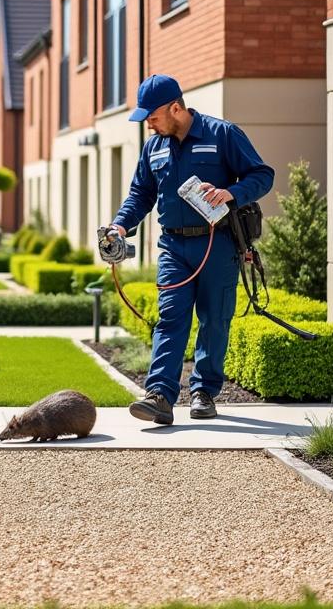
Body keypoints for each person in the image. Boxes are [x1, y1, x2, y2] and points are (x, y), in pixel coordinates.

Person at [105, 74, 274, 425]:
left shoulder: (222, 134)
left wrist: (232, 193)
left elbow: (262, 174)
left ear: (176, 108)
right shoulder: (154, 147)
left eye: (152, 117)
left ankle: (204, 392)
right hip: (173, 247)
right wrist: (121, 224)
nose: (148, 124)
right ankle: (160, 396)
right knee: (170, 317)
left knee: (215, 320)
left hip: (218, 243)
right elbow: (141, 194)